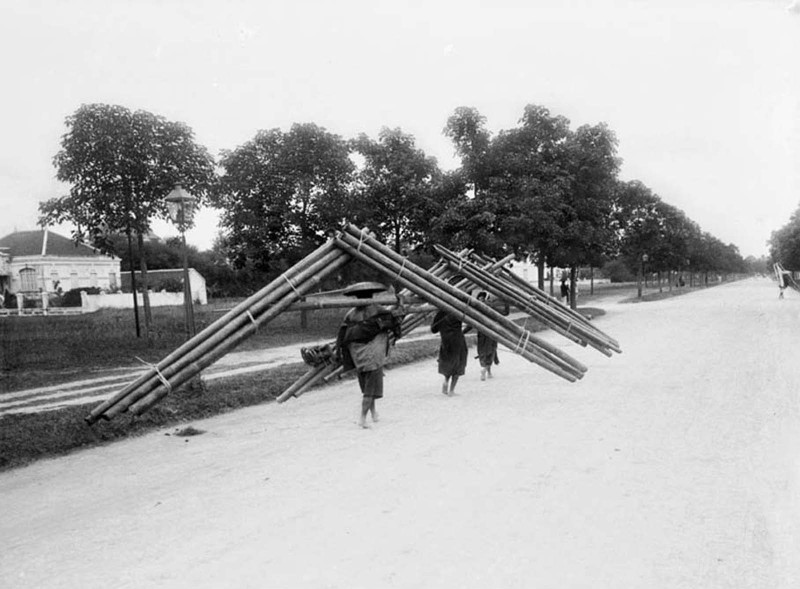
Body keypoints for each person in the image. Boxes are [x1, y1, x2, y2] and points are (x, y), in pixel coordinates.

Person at [336, 281, 403, 429]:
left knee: (367, 388)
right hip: (372, 356)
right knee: (370, 390)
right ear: (371, 296)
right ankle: (362, 418)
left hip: (358, 356)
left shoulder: (350, 314)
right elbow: (394, 318)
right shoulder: (376, 310)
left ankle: (373, 414)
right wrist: (400, 304)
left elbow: (342, 334)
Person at [430, 308, 468, 395]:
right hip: (458, 341)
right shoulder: (458, 310)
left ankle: (446, 381)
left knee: (448, 363)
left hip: (445, 341)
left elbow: (433, 330)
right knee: (458, 364)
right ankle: (451, 390)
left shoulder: (440, 313)